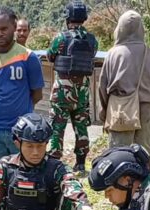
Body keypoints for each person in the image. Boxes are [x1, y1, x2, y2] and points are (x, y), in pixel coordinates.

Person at [0, 6, 45, 184]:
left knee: (23, 178)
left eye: (4, 29)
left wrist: (20, 114)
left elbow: (37, 94)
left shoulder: (28, 58)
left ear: (14, 27)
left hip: (21, 131)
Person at [98, 10, 150, 156]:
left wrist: (105, 109)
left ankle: (121, 179)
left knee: (118, 152)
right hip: (146, 107)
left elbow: (103, 85)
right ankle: (149, 179)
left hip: (120, 108)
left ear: (119, 29)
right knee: (147, 151)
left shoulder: (113, 53)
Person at [47, 1, 99, 173]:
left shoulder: (61, 38)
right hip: (82, 92)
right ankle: (81, 163)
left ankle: (55, 163)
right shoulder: (92, 40)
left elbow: (50, 56)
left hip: (62, 91)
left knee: (57, 127)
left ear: (67, 17)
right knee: (81, 127)